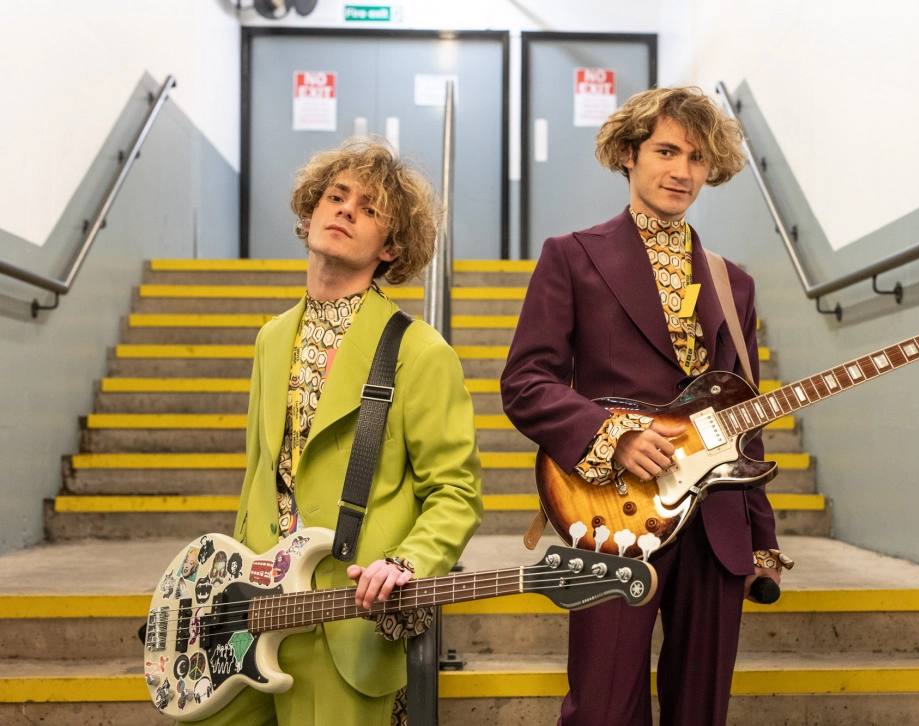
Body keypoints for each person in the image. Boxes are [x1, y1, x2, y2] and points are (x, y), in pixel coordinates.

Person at [500, 87, 791, 725]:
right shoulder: (572, 256)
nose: (682, 171)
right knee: (602, 709)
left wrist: (761, 540)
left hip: (717, 525)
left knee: (700, 712)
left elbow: (746, 418)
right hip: (613, 512)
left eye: (697, 157)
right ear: (629, 154)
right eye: (666, 151)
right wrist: (614, 435)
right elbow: (526, 381)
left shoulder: (733, 282)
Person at [193, 138, 483, 725]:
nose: (346, 210)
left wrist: (406, 563)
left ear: (391, 246)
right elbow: (259, 474)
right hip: (252, 611)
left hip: (345, 619)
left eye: (369, 209)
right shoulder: (271, 338)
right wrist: (228, 581)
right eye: (336, 196)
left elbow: (456, 491)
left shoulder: (420, 351)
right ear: (311, 211)